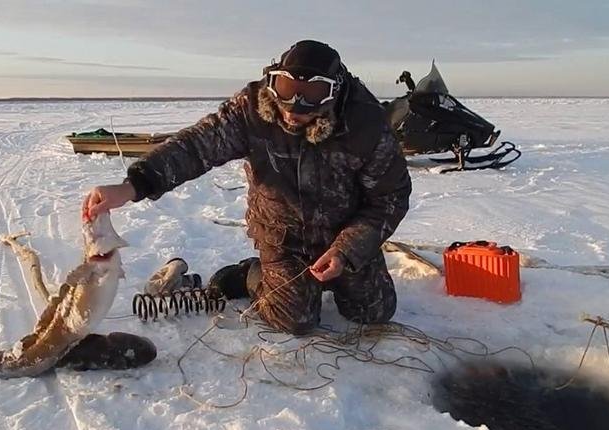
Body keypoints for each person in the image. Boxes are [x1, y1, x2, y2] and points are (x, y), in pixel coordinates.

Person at [83, 40, 411, 334]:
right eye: (285, 88)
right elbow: (197, 147)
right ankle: (249, 275)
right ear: (273, 80)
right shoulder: (252, 110)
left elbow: (389, 199)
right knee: (295, 321)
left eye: (312, 94)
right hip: (283, 235)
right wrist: (133, 186)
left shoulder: (366, 125)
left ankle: (338, 272)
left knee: (374, 313)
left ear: (335, 90)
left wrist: (346, 251)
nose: (294, 105)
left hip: (344, 235)